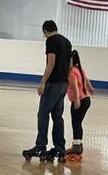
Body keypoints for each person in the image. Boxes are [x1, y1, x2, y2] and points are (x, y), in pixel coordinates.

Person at [23, 20, 72, 162]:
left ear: (45, 31)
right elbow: (69, 66)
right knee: (58, 117)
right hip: (63, 83)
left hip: (53, 84)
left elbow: (51, 62)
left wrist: (43, 82)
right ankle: (59, 148)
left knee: (43, 114)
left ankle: (40, 147)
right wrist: (67, 82)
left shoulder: (51, 41)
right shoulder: (67, 42)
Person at [65, 50, 94, 159]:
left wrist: (76, 100)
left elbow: (75, 88)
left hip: (79, 100)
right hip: (86, 100)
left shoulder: (72, 73)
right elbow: (86, 79)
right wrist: (90, 88)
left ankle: (76, 147)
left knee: (76, 123)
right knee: (78, 123)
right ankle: (79, 146)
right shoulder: (80, 69)